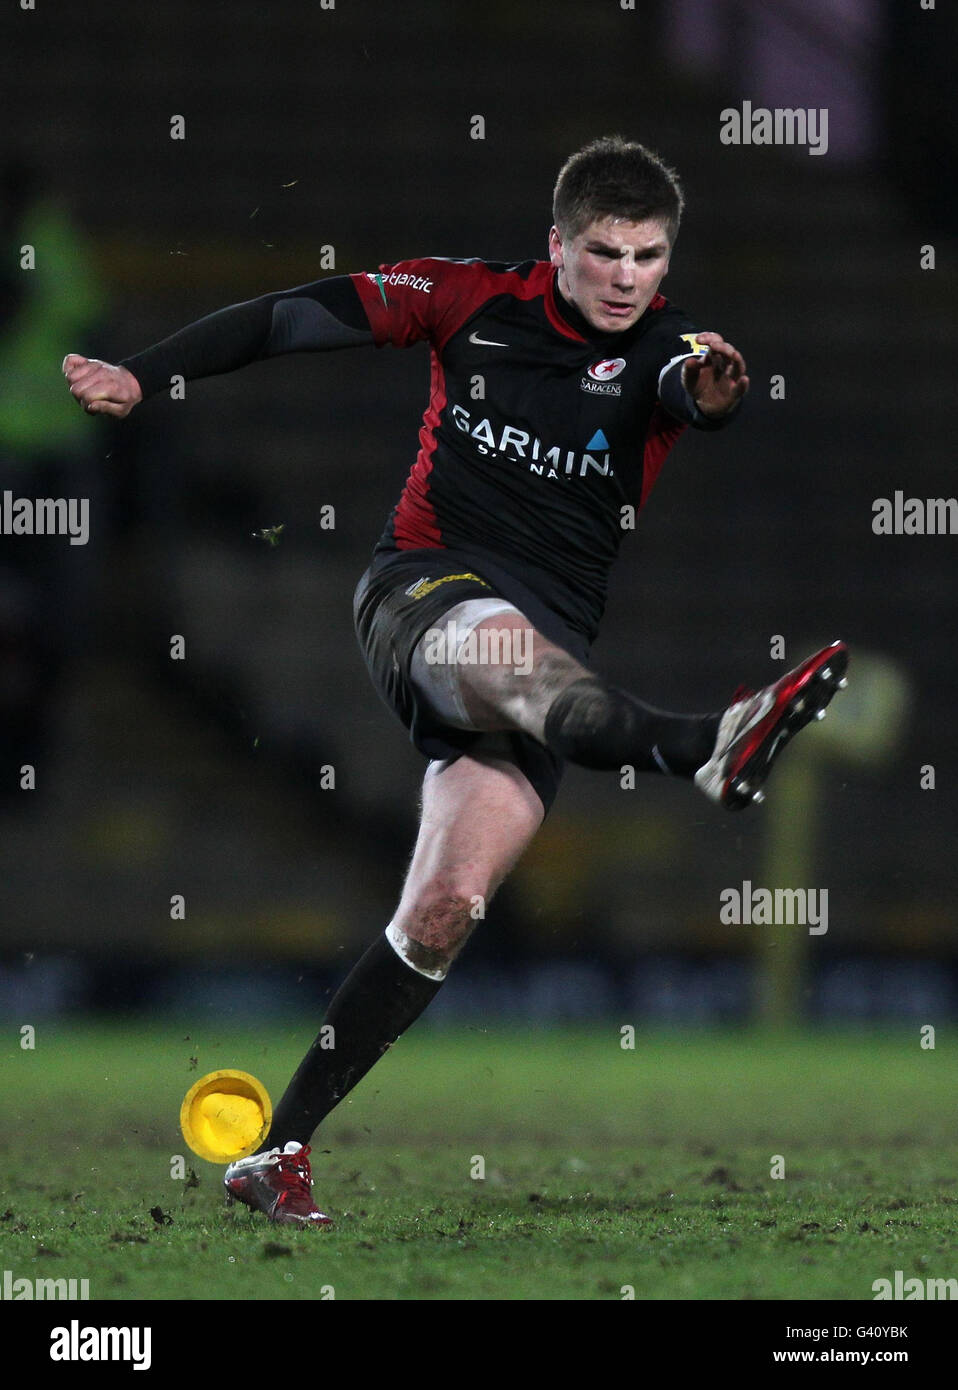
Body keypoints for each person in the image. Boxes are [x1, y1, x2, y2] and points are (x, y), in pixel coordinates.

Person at [63, 136, 847, 1226]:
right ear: (557, 246)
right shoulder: (464, 300)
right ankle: (696, 744)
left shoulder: (670, 351)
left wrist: (715, 392)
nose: (626, 275)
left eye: (649, 255)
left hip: (548, 653)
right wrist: (144, 373)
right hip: (424, 593)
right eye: (606, 252)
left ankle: (275, 1150)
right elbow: (295, 315)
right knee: (507, 654)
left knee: (443, 908)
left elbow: (696, 390)